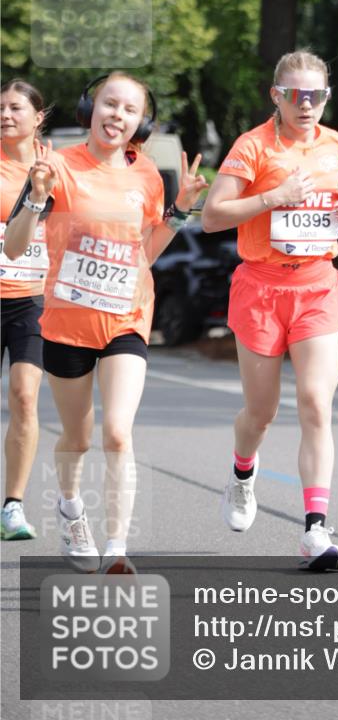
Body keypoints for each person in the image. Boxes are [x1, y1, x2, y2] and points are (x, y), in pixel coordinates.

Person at [4, 72, 207, 572]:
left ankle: (117, 548)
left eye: (129, 109)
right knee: (79, 439)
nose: (117, 115)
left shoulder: (148, 177)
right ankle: (71, 507)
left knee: (118, 432)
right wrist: (36, 192)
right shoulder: (58, 167)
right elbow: (12, 245)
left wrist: (179, 212)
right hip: (66, 323)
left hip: (126, 317)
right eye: (109, 104)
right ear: (90, 108)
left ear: (141, 122)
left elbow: (147, 252)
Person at [202, 50, 338, 571]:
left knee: (316, 402)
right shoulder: (252, 147)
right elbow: (212, 217)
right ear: (277, 96)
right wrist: (274, 196)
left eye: (317, 96)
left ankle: (316, 529)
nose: (308, 105)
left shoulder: (337, 145)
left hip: (317, 285)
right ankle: (242, 472)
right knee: (262, 412)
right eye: (296, 95)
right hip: (261, 288)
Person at [0, 80, 50, 540]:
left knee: (25, 397)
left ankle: (12, 506)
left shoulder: (56, 169)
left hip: (31, 299)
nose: (6, 115)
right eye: (1, 108)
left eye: (16, 108)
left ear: (39, 116)